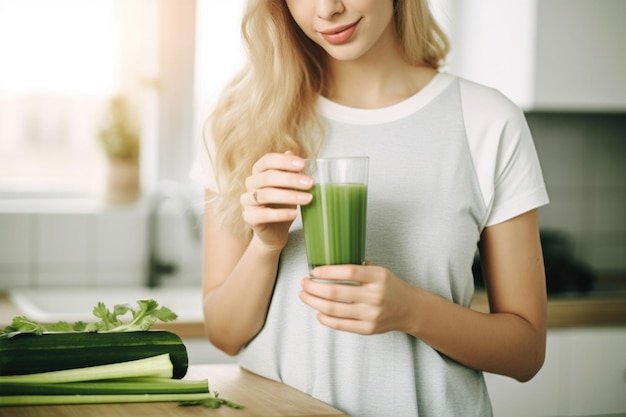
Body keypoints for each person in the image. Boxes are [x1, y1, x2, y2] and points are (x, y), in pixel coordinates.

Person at [190, 1, 549, 415]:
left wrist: (412, 311)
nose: (327, 9)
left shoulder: (488, 120)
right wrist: (265, 247)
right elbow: (225, 334)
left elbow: (526, 352)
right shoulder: (243, 121)